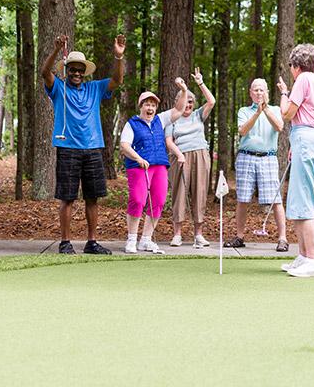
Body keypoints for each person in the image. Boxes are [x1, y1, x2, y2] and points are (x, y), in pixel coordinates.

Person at [41, 34, 126, 255]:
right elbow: (44, 73)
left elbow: (117, 81)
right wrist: (56, 51)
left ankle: (91, 242)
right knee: (67, 197)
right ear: (67, 71)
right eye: (73, 70)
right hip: (68, 148)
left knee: (92, 197)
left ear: (84, 72)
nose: (77, 73)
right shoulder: (59, 88)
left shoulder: (95, 88)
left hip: (93, 148)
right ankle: (65, 242)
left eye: (80, 70)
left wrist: (118, 57)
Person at [276, 44, 314, 277]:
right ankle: (303, 255)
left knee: (304, 199)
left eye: (291, 66)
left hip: (306, 138)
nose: (291, 70)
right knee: (298, 199)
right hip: (310, 138)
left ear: (297, 66)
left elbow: (286, 114)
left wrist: (284, 93)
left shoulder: (304, 80)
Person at [120, 79, 188, 254]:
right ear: (141, 106)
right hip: (138, 167)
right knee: (138, 200)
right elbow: (124, 146)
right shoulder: (132, 123)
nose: (150, 108)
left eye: (152, 105)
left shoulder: (161, 119)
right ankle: (131, 239)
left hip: (159, 167)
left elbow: (179, 109)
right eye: (146, 105)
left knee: (157, 202)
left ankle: (146, 240)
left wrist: (184, 89)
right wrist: (138, 158)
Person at [223, 78, 289, 252]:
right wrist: (257, 113)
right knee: (242, 198)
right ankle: (239, 236)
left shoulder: (274, 109)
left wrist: (265, 110)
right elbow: (242, 131)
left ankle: (282, 238)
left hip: (268, 158)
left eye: (262, 90)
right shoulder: (244, 111)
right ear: (250, 93)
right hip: (246, 157)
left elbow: (280, 126)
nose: (259, 93)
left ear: (266, 92)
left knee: (276, 199)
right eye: (255, 90)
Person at [165, 68, 215, 248]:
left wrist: (200, 83)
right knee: (179, 193)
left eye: (191, 102)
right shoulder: (172, 118)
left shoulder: (197, 115)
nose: (188, 105)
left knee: (200, 193)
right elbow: (169, 141)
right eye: (185, 101)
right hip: (180, 157)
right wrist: (179, 154)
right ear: (178, 101)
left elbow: (211, 101)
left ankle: (198, 235)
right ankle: (177, 233)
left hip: (201, 154)